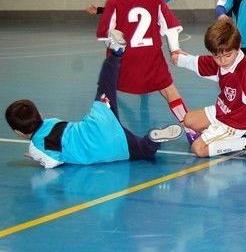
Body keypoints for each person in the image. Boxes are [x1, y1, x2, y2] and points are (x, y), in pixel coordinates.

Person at [4, 31, 183, 169]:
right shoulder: (50, 122)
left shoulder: (36, 146)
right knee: (105, 85)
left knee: (144, 150)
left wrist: (36, 156)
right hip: (99, 123)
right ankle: (116, 53)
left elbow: (52, 162)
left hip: (110, 149)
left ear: (18, 132)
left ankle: (152, 140)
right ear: (41, 114)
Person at [95, 0, 198, 144]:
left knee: (106, 94)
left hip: (124, 59)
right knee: (169, 91)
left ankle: (107, 135)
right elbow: (171, 27)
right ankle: (191, 130)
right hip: (152, 56)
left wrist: (115, 49)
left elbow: (106, 35)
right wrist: (174, 50)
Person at [171, 17, 246, 158]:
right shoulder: (220, 61)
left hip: (236, 122)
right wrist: (180, 60)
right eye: (216, 56)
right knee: (188, 120)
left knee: (198, 149)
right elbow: (198, 63)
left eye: (227, 55)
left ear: (238, 47)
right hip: (222, 111)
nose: (222, 61)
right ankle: (214, 135)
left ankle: (245, 142)